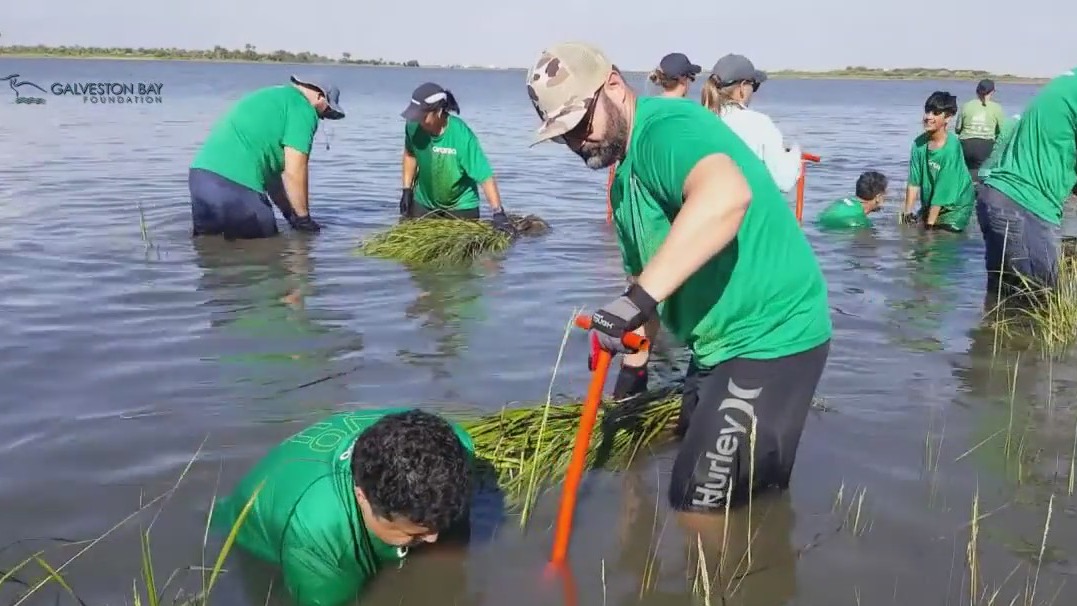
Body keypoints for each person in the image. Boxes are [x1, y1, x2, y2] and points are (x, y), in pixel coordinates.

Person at [525, 41, 831, 513]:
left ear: (613, 85)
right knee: (736, 486)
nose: (577, 142)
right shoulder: (626, 179)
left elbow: (726, 196)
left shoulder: (667, 129)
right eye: (563, 134)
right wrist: (634, 364)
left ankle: (728, 578)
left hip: (772, 334)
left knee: (698, 504)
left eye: (581, 124)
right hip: (716, 345)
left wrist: (633, 302)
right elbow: (647, 277)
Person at [211, 408, 474, 606]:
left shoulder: (456, 448)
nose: (433, 537)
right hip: (254, 535)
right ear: (362, 497)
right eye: (414, 532)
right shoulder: (318, 541)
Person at [189, 75, 343, 239]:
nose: (321, 117)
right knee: (266, 254)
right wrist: (304, 219)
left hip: (201, 179)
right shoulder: (303, 107)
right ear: (320, 97)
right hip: (237, 186)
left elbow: (272, 181)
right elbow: (295, 171)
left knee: (210, 248)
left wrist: (291, 216)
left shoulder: (272, 97)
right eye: (325, 112)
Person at [978, 67, 1077, 297]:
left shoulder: (1066, 84)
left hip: (998, 198)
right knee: (1042, 305)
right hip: (1024, 207)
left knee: (1003, 304)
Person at [399, 82, 513, 234]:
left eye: (423, 116)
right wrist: (406, 191)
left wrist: (498, 213)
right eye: (416, 115)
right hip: (424, 202)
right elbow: (410, 155)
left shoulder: (461, 136)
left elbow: (485, 177)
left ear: (438, 111)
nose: (418, 121)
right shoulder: (413, 126)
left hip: (460, 207)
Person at [700, 54, 802, 193]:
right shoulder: (759, 124)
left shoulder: (700, 119)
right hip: (747, 211)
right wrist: (795, 154)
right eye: (755, 86)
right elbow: (784, 182)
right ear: (742, 87)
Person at [901, 91, 974, 232]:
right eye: (927, 111)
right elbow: (914, 182)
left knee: (935, 240)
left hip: (956, 206)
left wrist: (929, 227)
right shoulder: (918, 144)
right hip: (932, 202)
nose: (928, 117)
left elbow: (942, 190)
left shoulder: (951, 148)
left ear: (948, 117)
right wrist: (907, 213)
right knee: (913, 231)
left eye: (935, 113)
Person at [956, 79, 1006, 178]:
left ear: (977, 90)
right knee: (981, 174)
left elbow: (957, 129)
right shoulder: (997, 108)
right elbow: (1001, 131)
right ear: (992, 92)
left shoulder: (966, 106)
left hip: (966, 144)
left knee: (966, 172)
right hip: (986, 146)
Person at [815, 171, 888, 230]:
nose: (886, 197)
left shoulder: (843, 201)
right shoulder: (861, 222)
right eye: (885, 194)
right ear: (878, 197)